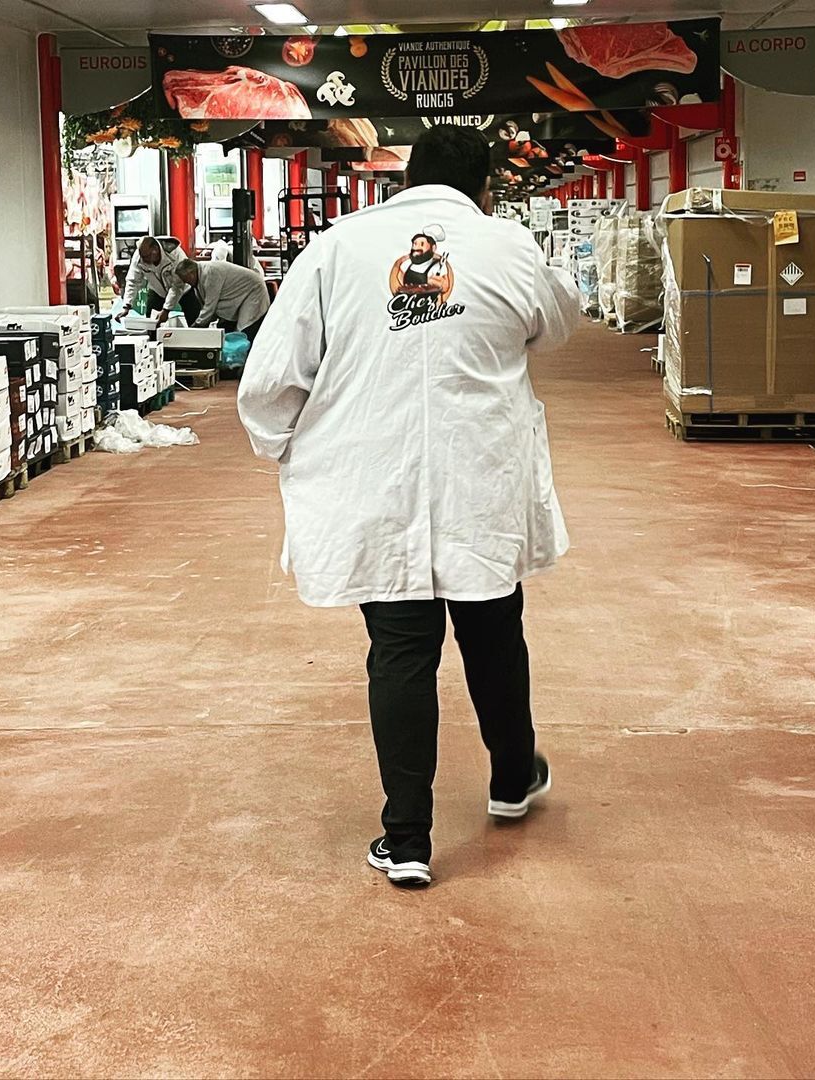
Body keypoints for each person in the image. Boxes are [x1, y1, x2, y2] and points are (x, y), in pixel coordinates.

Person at [237, 125, 579, 889]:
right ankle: (512, 778)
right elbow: (558, 323)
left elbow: (273, 377)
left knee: (400, 650)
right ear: (485, 186)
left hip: (375, 481)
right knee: (494, 634)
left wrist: (283, 448)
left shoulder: (335, 249)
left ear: (404, 179)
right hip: (480, 482)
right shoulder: (509, 245)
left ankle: (407, 839)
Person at [174, 258, 270, 343]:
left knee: (244, 332)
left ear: (191, 273)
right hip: (238, 295)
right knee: (225, 331)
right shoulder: (199, 276)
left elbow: (210, 307)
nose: (185, 282)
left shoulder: (210, 272)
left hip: (253, 291)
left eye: (185, 279)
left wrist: (196, 326)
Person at [119, 235, 200, 326]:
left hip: (184, 290)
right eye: (142, 257)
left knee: (195, 321)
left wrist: (166, 310)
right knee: (151, 323)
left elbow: (177, 287)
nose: (144, 260)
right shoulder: (139, 256)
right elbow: (132, 281)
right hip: (157, 291)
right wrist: (126, 306)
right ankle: (153, 335)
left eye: (146, 256)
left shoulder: (175, 254)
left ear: (155, 249)